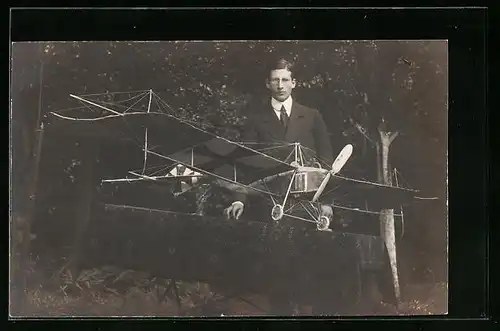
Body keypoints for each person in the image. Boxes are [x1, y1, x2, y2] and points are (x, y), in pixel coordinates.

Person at [224, 57, 335, 222]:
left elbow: (326, 162)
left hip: (307, 206)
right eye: (275, 80)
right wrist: (239, 199)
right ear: (268, 84)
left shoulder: (312, 116)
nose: (280, 85)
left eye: (285, 80)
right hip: (267, 205)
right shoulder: (255, 119)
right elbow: (246, 163)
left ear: (294, 83)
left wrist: (326, 202)